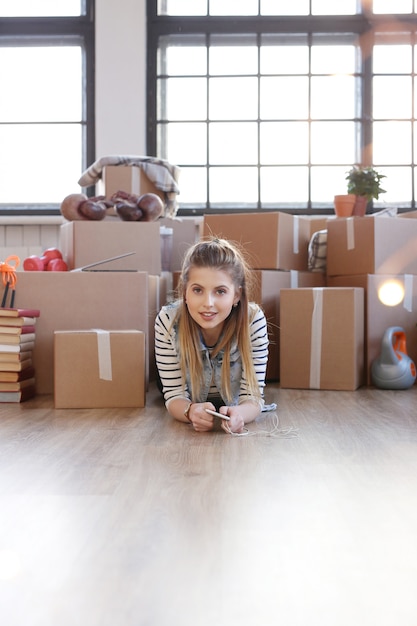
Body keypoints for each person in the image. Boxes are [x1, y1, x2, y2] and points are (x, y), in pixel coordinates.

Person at [154, 236, 271, 434]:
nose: (208, 302)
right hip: (183, 388)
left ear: (236, 295)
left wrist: (240, 415)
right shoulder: (168, 321)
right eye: (198, 290)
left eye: (220, 291)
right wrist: (189, 411)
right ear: (185, 292)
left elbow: (253, 396)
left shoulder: (253, 320)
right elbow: (174, 395)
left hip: (231, 398)